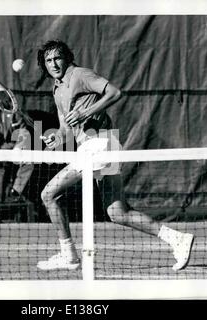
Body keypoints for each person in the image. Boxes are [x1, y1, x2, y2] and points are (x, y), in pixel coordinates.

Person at [36, 40, 194, 271]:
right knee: (118, 213)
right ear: (44, 65)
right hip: (94, 147)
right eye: (48, 60)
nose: (54, 63)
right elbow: (65, 129)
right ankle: (177, 239)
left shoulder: (80, 74)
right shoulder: (57, 88)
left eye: (58, 57)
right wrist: (55, 138)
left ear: (67, 57)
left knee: (48, 194)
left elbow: (115, 92)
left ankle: (68, 255)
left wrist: (86, 112)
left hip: (101, 144)